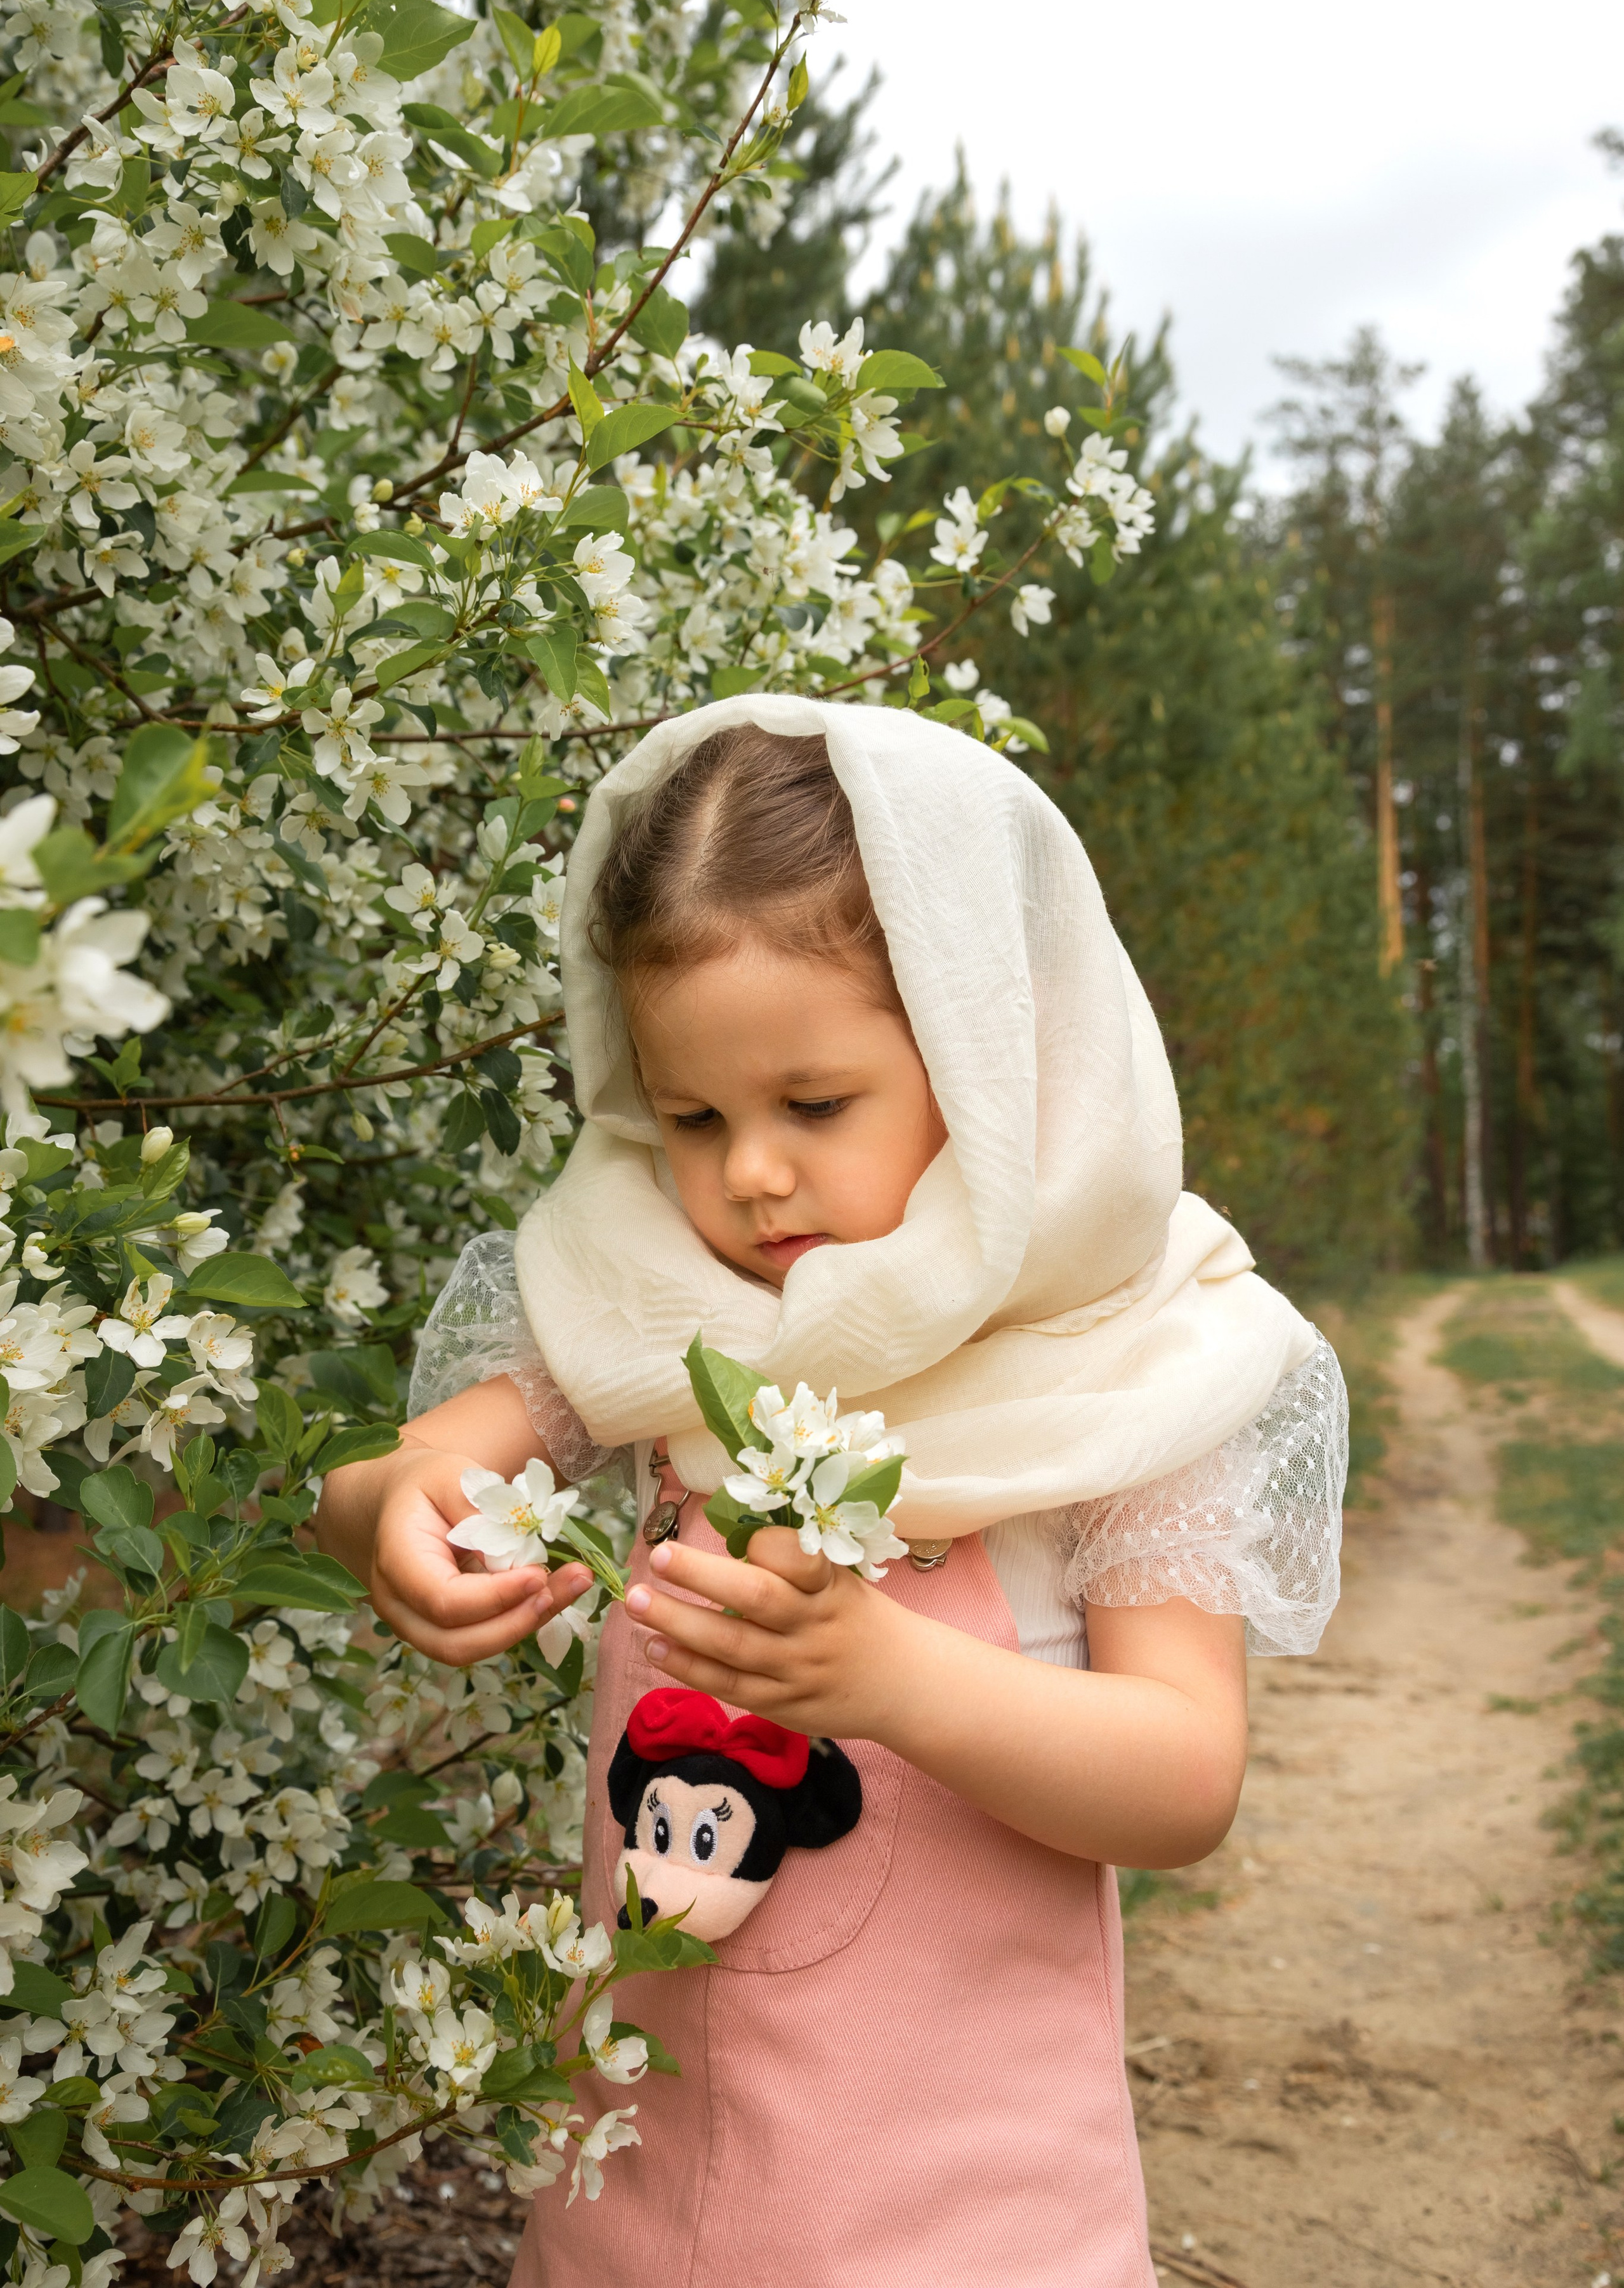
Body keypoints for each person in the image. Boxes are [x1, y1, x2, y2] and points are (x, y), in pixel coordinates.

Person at [318, 696, 1347, 2288]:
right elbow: (413, 1469)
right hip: (640, 2197)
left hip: (966, 2219)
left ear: (989, 1066)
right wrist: (397, 1512)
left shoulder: (1114, 1360)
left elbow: (1180, 1775)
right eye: (691, 1118)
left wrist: (890, 1680)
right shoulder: (643, 1308)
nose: (746, 1176)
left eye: (813, 1105)